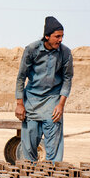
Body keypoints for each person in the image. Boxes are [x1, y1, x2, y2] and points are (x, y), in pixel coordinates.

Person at [15, 16, 73, 163]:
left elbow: (67, 79)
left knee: (54, 151)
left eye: (62, 37)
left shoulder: (65, 53)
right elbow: (21, 77)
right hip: (32, 102)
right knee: (29, 150)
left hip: (53, 102)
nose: (60, 40)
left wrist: (61, 105)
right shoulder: (31, 50)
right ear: (47, 36)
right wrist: (19, 104)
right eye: (57, 36)